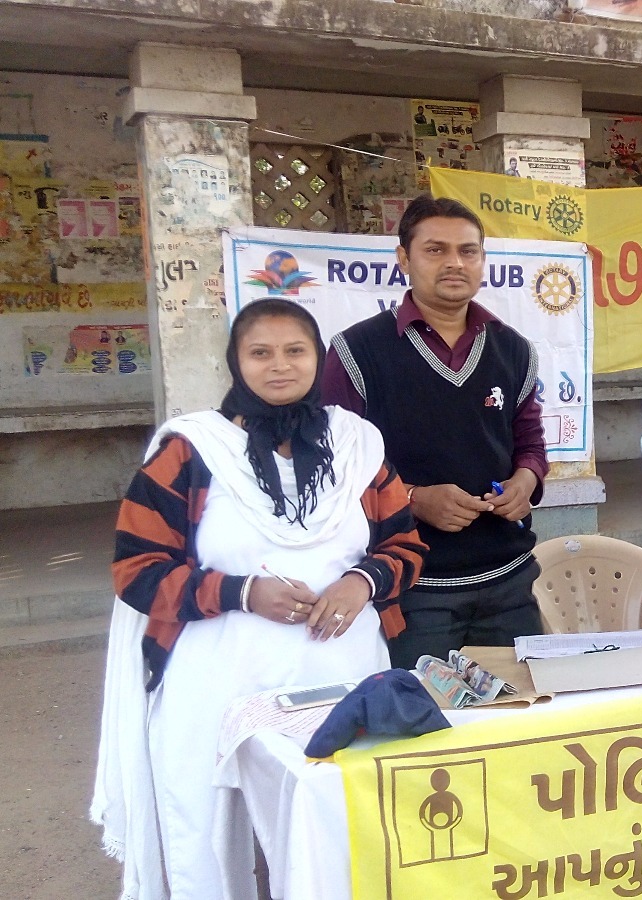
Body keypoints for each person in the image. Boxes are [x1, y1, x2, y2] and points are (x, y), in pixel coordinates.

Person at [95, 298, 425, 898]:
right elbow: (137, 569)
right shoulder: (191, 450)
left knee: (337, 821)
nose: (279, 366)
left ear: (317, 360)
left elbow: (405, 544)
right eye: (260, 353)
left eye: (295, 351)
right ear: (236, 363)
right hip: (218, 676)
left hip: (339, 672)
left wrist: (362, 582)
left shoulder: (359, 447)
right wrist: (242, 592)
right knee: (209, 830)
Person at [323, 195, 547, 669]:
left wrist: (526, 482)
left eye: (468, 251)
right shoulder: (355, 352)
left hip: (509, 580)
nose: (454, 263)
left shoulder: (514, 349)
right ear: (404, 258)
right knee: (424, 726)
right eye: (435, 250)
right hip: (411, 586)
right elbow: (334, 470)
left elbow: (529, 442)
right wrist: (414, 499)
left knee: (521, 721)